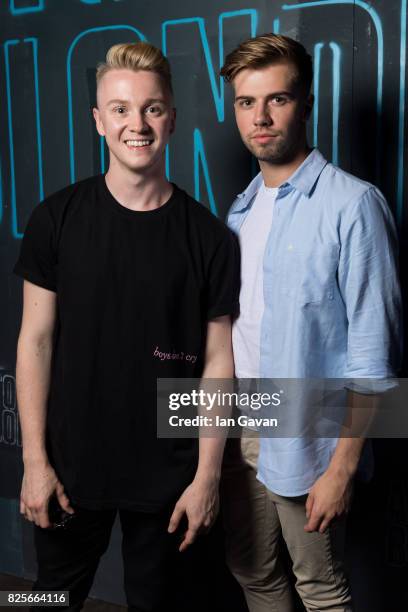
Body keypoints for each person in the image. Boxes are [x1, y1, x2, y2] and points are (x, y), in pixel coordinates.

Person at [14, 41, 238, 611]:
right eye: (120, 109)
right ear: (98, 120)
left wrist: (207, 476)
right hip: (69, 468)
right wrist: (35, 464)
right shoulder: (55, 219)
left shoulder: (209, 239)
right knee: (46, 601)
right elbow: (35, 342)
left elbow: (218, 365)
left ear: (172, 118)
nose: (136, 124)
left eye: (152, 108)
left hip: (169, 475)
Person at [220, 33, 402, 612]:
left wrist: (342, 466)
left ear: (306, 104)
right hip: (242, 421)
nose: (262, 117)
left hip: (309, 437)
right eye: (247, 103)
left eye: (278, 99)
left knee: (320, 587)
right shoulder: (241, 209)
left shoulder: (354, 204)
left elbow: (376, 357)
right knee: (251, 571)